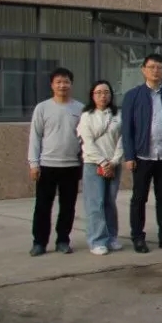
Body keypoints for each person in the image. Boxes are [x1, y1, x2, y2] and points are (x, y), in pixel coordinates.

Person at [122, 53, 162, 254]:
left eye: (159, 67)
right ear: (143, 70)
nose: (155, 71)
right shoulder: (133, 95)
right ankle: (138, 237)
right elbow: (127, 128)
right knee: (139, 198)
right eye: (151, 67)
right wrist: (129, 155)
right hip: (142, 156)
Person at [27, 67, 84, 256]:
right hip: (47, 165)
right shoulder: (42, 108)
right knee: (43, 206)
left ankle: (63, 240)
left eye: (66, 81)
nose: (62, 85)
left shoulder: (80, 108)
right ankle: (39, 242)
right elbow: (35, 137)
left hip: (71, 165)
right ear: (52, 85)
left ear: (71, 84)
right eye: (58, 82)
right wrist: (34, 164)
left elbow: (84, 138)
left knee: (68, 207)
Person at [77, 80, 125, 256]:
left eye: (106, 92)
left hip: (114, 165)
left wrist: (114, 161)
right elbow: (87, 143)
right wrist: (103, 163)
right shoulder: (86, 116)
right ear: (92, 95)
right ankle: (97, 240)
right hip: (93, 164)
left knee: (109, 202)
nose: (102, 96)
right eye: (98, 93)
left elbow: (123, 140)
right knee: (95, 203)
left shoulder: (118, 115)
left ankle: (111, 237)